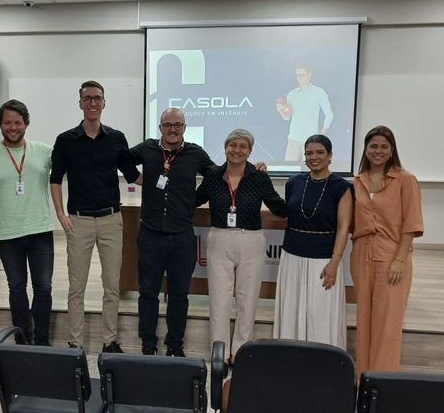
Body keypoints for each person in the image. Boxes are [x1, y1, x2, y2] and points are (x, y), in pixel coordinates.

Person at [50, 80, 139, 353]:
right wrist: (61, 215)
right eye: (87, 98)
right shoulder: (65, 140)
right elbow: (55, 180)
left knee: (112, 286)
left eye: (97, 98)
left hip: (111, 220)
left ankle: (110, 341)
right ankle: (75, 343)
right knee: (76, 287)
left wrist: (168, 179)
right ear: (80, 103)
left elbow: (133, 175)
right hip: (79, 222)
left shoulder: (116, 138)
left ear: (104, 103)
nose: (92, 103)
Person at [128, 108, 216, 356]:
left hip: (181, 235)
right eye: (168, 125)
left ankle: (175, 344)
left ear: (184, 128)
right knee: (148, 292)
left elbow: (216, 175)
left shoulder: (195, 153)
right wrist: (137, 178)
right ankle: (148, 343)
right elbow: (122, 158)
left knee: (179, 294)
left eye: (178, 125)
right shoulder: (147, 148)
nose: (173, 129)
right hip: (150, 233)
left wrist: (195, 199)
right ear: (160, 127)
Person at [195, 129, 287, 364]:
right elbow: (193, 200)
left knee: (248, 299)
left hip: (251, 240)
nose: (237, 150)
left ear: (250, 151)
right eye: (233, 145)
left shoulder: (259, 177)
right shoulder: (213, 175)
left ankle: (240, 352)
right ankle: (220, 352)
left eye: (243, 146)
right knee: (219, 300)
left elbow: (278, 207)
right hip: (219, 239)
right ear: (225, 147)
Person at [0, 99, 54, 346]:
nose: (12, 127)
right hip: (8, 235)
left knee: (43, 288)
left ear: (26, 124)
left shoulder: (45, 152)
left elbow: (66, 173)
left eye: (18, 122)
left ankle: (42, 341)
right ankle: (22, 341)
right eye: (7, 122)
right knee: (16, 288)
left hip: (40, 231)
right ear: (0, 124)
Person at [351, 125, 423, 375]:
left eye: (384, 146)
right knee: (364, 320)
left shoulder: (405, 180)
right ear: (366, 149)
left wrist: (399, 260)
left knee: (388, 323)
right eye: (373, 146)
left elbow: (411, 224)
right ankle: (363, 378)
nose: (378, 151)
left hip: (392, 256)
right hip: (361, 255)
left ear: (392, 150)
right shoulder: (357, 182)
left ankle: (383, 381)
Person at [273, 134, 353, 350]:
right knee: (291, 309)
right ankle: (289, 356)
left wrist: (335, 262)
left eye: (320, 152)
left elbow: (343, 227)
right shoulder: (294, 182)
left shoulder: (341, 187)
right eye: (309, 153)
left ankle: (323, 360)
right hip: (292, 256)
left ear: (330, 156)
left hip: (323, 259)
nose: (314, 157)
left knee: (320, 313)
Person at [276, 64, 334, 161]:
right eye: (297, 75)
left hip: (310, 140)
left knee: (309, 168)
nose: (299, 78)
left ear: (309, 74)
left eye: (302, 75)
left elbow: (329, 114)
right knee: (289, 168)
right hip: (293, 139)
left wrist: (322, 134)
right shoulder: (292, 94)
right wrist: (280, 111)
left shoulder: (319, 92)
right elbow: (287, 117)